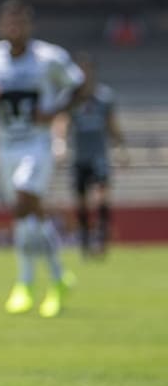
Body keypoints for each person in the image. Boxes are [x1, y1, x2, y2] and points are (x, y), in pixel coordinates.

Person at [0, 0, 84, 317]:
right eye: (9, 23)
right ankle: (58, 278)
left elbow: (79, 86)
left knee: (23, 201)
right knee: (27, 217)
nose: (14, 28)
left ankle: (24, 282)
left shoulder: (49, 57)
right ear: (0, 26)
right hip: (7, 146)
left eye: (20, 23)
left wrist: (54, 112)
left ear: (29, 26)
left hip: (38, 145)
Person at [51, 54, 127, 258]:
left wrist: (120, 148)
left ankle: (101, 238)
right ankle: (85, 240)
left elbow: (112, 124)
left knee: (101, 198)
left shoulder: (104, 96)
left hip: (99, 156)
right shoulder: (69, 97)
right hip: (79, 157)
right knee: (81, 202)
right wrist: (60, 144)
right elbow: (62, 120)